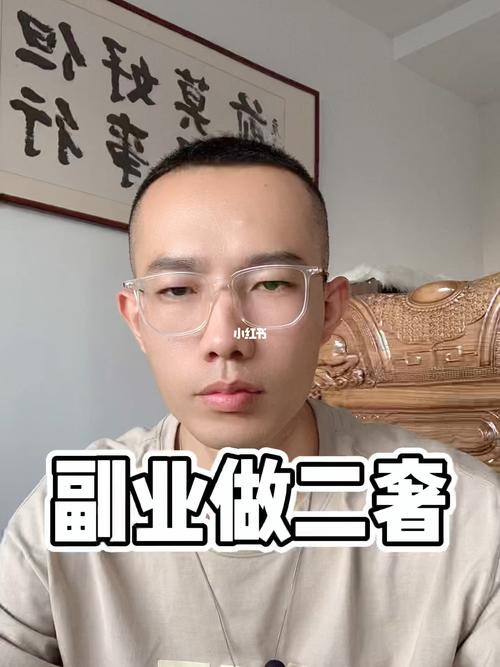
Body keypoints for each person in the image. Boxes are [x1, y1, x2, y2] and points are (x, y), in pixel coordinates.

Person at [0, 135, 499, 667]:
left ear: (328, 310)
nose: (225, 339)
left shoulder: (469, 522)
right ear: (137, 319)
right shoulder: (64, 517)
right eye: (177, 290)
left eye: (271, 284)